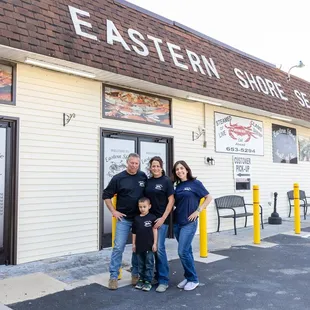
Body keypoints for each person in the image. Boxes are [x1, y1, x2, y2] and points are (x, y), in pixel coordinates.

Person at [102, 153, 147, 290]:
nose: (134, 165)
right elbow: (106, 195)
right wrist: (113, 211)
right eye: (132, 163)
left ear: (139, 164)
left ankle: (135, 274)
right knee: (118, 247)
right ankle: (113, 277)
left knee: (137, 248)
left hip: (138, 220)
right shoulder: (118, 178)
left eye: (136, 163)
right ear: (127, 163)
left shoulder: (142, 176)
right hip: (124, 219)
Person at [172, 160, 212, 291]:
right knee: (187, 251)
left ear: (187, 170)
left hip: (189, 223)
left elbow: (208, 197)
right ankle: (189, 277)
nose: (179, 171)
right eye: (177, 169)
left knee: (182, 251)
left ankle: (194, 279)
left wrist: (198, 211)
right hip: (177, 222)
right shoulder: (177, 186)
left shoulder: (195, 183)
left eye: (181, 168)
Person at [144, 156, 174, 293]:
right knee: (152, 248)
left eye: (157, 166)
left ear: (161, 167)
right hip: (149, 219)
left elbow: (171, 201)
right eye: (153, 166)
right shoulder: (148, 181)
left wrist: (163, 218)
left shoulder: (166, 181)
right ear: (150, 167)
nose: (155, 168)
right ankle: (155, 275)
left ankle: (164, 280)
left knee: (160, 248)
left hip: (162, 220)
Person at [132, 197, 158, 292]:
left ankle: (148, 281)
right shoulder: (136, 218)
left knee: (149, 264)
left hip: (149, 246)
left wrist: (155, 243)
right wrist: (134, 244)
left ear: (149, 206)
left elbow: (155, 231)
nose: (142, 208)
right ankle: (141, 280)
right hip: (139, 246)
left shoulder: (152, 217)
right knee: (141, 264)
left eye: (144, 206)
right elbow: (134, 232)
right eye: (140, 207)